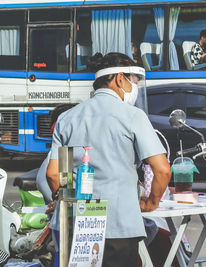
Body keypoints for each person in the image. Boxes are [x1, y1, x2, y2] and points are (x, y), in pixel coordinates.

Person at [46, 52, 171, 267]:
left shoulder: (67, 118)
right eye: (134, 81)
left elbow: (55, 173)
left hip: (72, 223)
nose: (135, 87)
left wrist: (63, 200)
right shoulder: (132, 116)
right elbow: (162, 170)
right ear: (119, 78)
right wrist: (152, 201)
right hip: (116, 223)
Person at [36, 103, 77, 205]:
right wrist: (58, 201)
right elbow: (53, 175)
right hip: (66, 214)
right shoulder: (64, 152)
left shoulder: (58, 153)